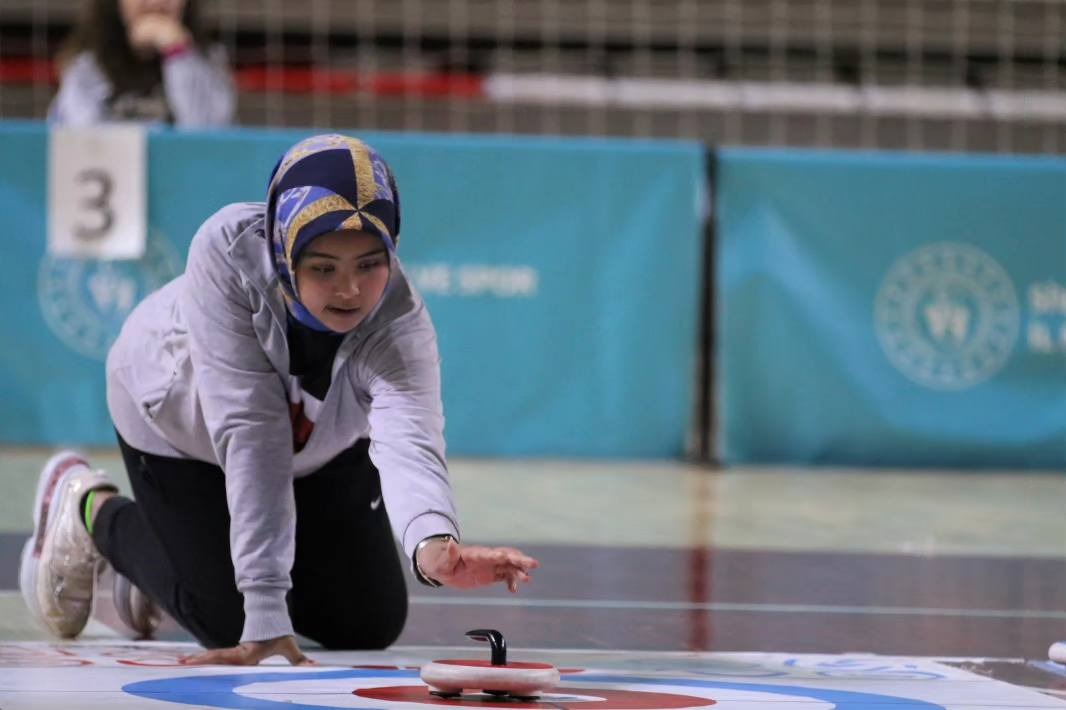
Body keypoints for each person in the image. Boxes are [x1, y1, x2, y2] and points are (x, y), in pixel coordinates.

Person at [19, 133, 539, 665]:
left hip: (314, 445)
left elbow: (410, 441)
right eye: (323, 267)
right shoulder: (227, 252)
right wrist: (265, 609)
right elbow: (252, 432)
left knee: (368, 621)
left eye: (369, 264)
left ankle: (170, 564)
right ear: (284, 252)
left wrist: (434, 547)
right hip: (180, 427)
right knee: (230, 621)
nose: (349, 290)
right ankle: (89, 509)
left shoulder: (399, 324)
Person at [50, 0, 235, 127]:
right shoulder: (86, 65)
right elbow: (76, 143)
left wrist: (177, 52)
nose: (155, 3)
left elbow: (208, 142)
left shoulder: (210, 61)